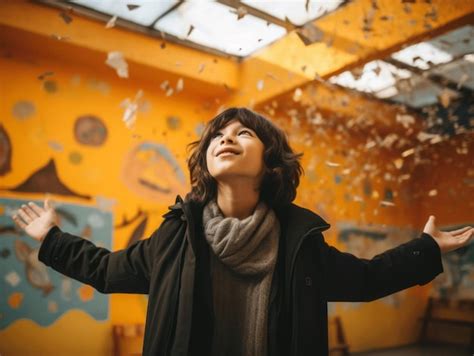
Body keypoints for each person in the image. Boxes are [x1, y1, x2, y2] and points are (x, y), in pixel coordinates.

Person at [12, 107, 473, 356]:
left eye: (244, 134)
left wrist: (426, 249)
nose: (226, 138)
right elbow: (108, 271)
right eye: (217, 135)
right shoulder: (177, 235)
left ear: (271, 163)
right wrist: (52, 238)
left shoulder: (300, 243)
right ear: (207, 160)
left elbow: (368, 279)